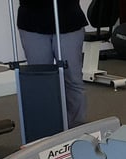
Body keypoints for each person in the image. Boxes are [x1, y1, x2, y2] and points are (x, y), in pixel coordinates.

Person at [16, 0, 87, 128]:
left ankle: (76, 127)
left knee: (72, 78)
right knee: (40, 80)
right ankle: (44, 127)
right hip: (32, 22)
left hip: (68, 20)